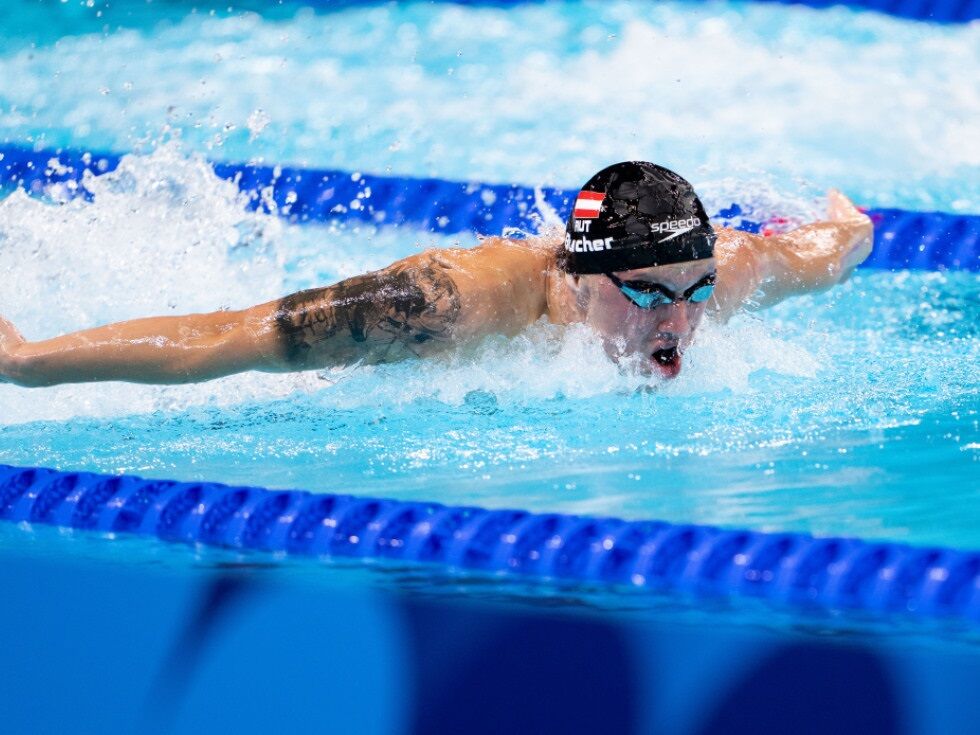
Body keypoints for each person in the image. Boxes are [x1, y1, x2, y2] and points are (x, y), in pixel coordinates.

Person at [0, 161, 872, 387]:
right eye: (646, 295)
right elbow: (227, 335)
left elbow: (829, 252)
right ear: (577, 278)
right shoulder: (451, 303)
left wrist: (849, 228)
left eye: (694, 293)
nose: (677, 324)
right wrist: (28, 358)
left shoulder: (719, 273)